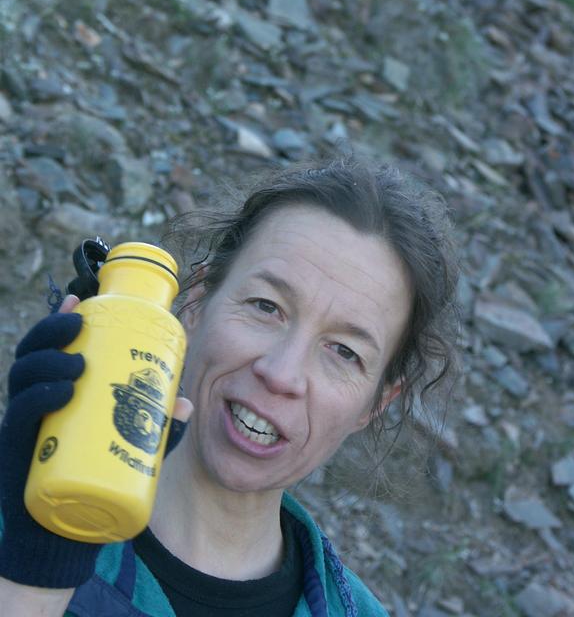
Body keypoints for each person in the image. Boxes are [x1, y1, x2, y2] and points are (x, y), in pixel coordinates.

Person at [0, 155, 459, 616]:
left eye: (344, 351)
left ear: (376, 403)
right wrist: (37, 571)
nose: (281, 374)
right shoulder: (16, 518)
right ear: (197, 304)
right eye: (266, 306)